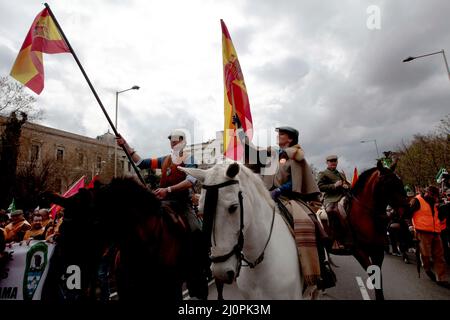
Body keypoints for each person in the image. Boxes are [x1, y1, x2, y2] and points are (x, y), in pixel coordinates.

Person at [116, 129, 208, 299]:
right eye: (171, 140)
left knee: (196, 229)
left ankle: (198, 273)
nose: (173, 142)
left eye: (176, 140)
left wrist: (169, 189)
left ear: (183, 141)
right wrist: (125, 146)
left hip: (181, 204)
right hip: (162, 202)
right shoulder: (164, 159)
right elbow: (142, 162)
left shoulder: (188, 158)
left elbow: (191, 181)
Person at [404, 186, 450, 289]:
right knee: (426, 255)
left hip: (436, 231)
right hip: (422, 232)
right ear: (428, 193)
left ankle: (441, 278)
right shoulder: (416, 200)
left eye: (436, 196)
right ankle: (427, 268)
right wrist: (410, 226)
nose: (435, 198)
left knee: (439, 256)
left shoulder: (434, 202)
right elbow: (407, 214)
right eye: (433, 196)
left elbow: (436, 216)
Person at [317, 155, 353, 252]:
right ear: (327, 163)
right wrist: (334, 185)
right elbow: (320, 187)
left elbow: (346, 184)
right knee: (333, 211)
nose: (333, 162)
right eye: (331, 161)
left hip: (343, 196)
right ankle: (336, 238)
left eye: (334, 161)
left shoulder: (341, 174)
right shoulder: (323, 173)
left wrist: (346, 186)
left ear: (337, 162)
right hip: (331, 198)